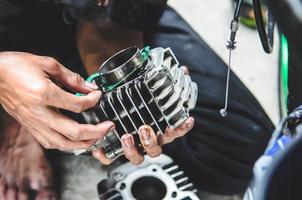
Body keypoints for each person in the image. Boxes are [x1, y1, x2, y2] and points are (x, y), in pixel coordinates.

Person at [0, 0, 274, 199]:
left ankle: (41, 105)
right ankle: (15, 126)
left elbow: (109, 22)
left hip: (69, 28)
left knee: (242, 152)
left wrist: (121, 92)